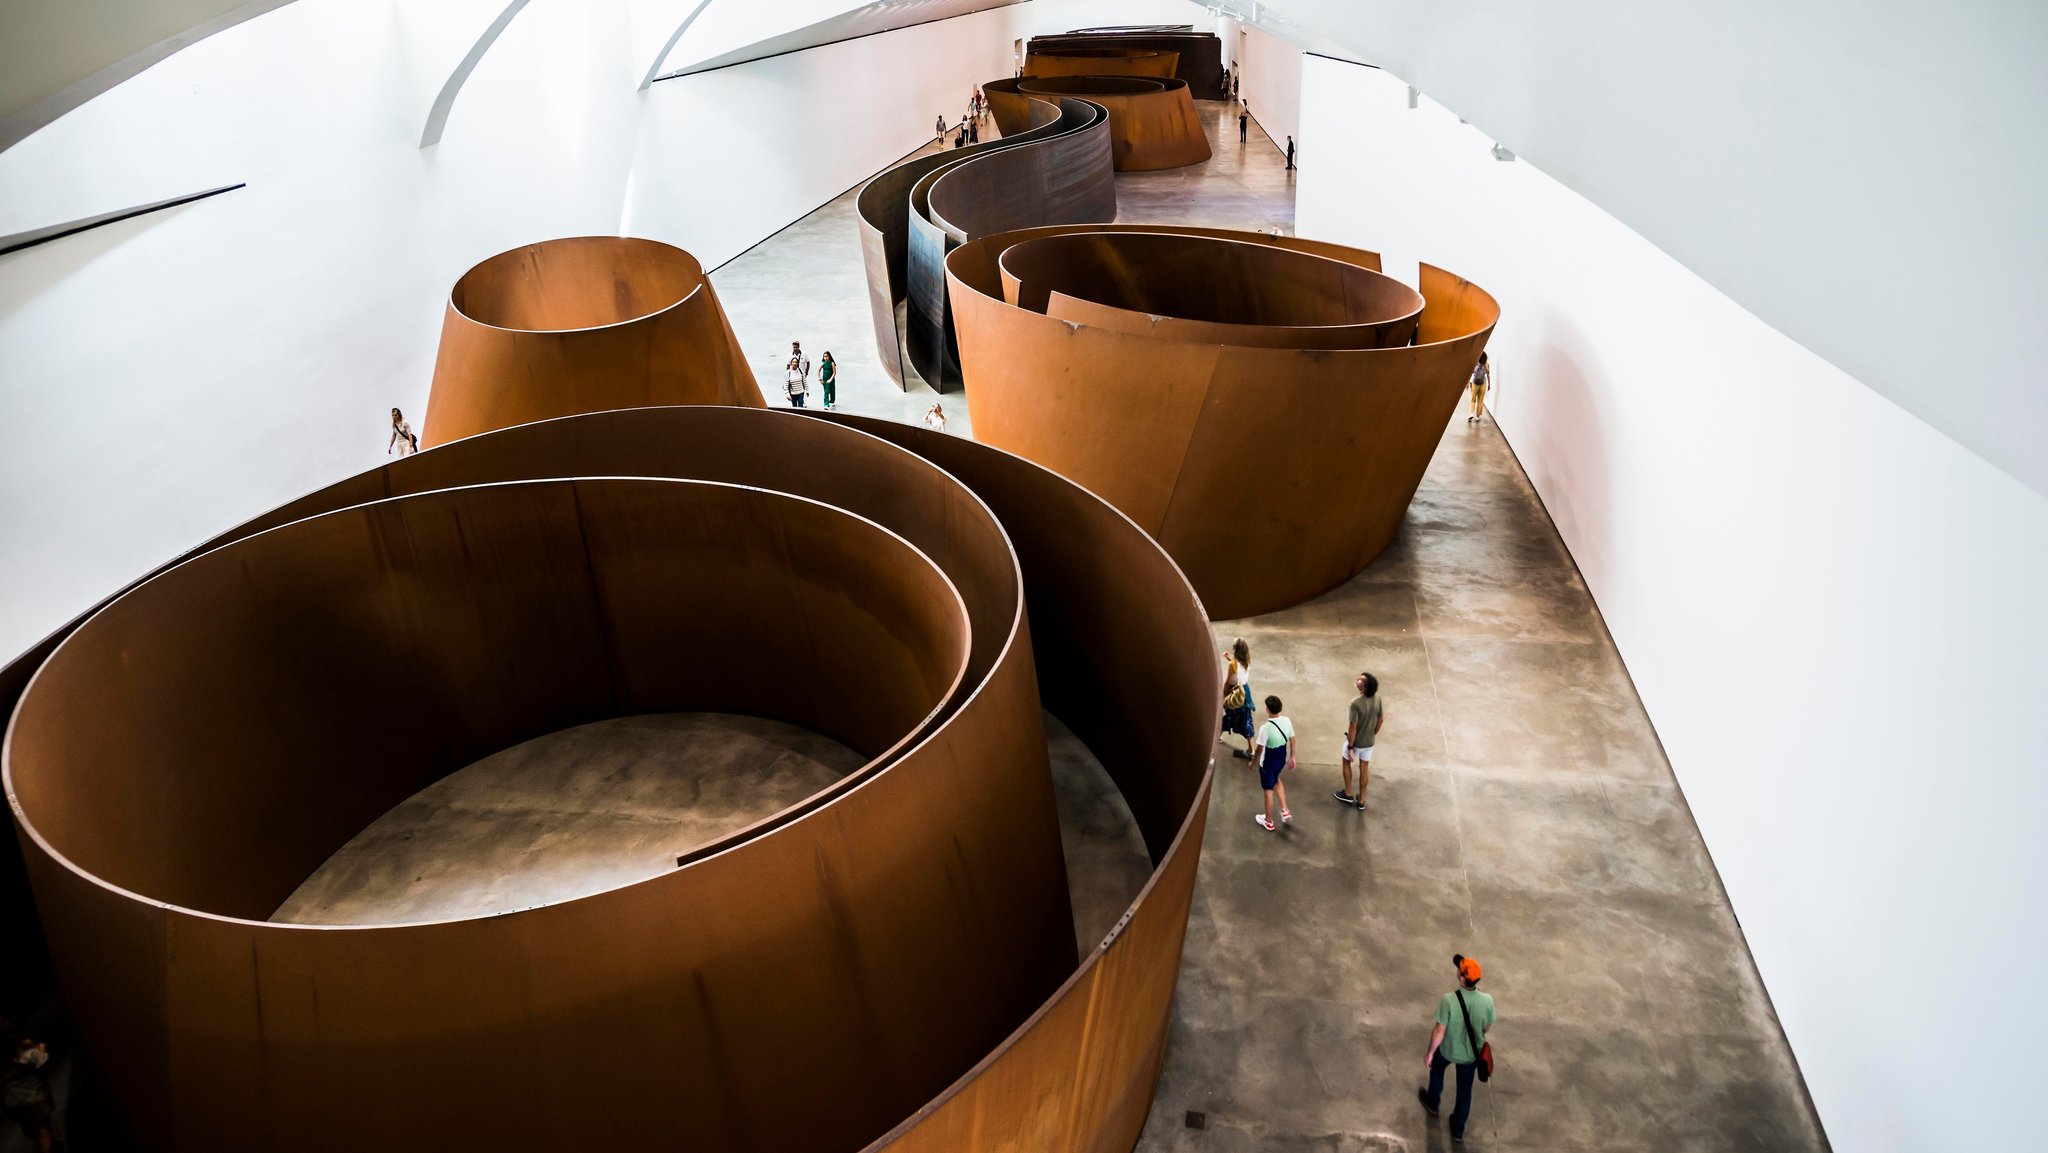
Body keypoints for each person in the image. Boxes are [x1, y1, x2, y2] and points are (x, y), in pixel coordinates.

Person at [1419, 955, 1495, 1143]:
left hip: (1447, 1050)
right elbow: (1486, 1027)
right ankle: (1458, 1129)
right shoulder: (1487, 1001)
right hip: (1470, 1056)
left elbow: (1439, 1031)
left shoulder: (1448, 1000)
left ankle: (1433, 1102)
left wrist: (1430, 1053)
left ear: (1461, 978)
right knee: (1464, 1091)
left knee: (1437, 1070)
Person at [1336, 672, 1384, 809]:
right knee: (1364, 768)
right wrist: (1373, 733)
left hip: (1356, 742)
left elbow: (1352, 727)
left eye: (1360, 680)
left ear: (1364, 687)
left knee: (1346, 762)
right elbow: (1380, 719)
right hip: (1369, 743)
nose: (1357, 679)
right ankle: (1361, 800)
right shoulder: (1378, 698)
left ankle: (1348, 793)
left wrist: (1350, 747)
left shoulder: (1355, 703)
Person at [3, 1034, 56, 1153]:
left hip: (14, 1101)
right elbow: (40, 1060)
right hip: (33, 1098)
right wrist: (41, 1048)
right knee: (43, 1130)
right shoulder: (26, 1049)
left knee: (32, 1131)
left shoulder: (5, 1057)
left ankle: (41, 1146)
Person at [1251, 695, 1295, 831]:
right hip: (1281, 756)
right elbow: (1293, 740)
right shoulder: (1287, 721)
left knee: (1268, 790)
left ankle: (1268, 821)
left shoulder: (1266, 728)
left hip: (1268, 761)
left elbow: (1259, 749)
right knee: (1276, 779)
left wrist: (1253, 762)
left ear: (1268, 710)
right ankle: (1284, 809)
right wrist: (1292, 757)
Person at [1221, 638, 1256, 757]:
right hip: (1244, 693)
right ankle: (1251, 750)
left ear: (1235, 650)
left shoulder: (1232, 665)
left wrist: (1223, 695)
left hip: (1234, 692)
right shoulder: (1247, 661)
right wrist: (1230, 658)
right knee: (1246, 720)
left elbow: (1228, 682)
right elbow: (1239, 666)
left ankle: (1217, 737)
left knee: (1225, 715)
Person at [1468, 351, 1491, 423]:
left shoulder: (1475, 363)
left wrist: (1467, 383)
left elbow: (1470, 373)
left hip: (1475, 383)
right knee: (1480, 400)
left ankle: (1471, 413)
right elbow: (1488, 375)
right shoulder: (1486, 364)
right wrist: (1489, 384)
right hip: (1483, 383)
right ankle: (1478, 416)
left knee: (1473, 399)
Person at [786, 341, 810, 408]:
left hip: (801, 374)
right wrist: (787, 375)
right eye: (793, 347)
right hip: (792, 376)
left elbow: (808, 363)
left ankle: (801, 401)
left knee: (802, 387)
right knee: (794, 388)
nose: (795, 349)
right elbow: (787, 365)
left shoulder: (804, 354)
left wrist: (806, 372)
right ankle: (798, 400)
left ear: (799, 347)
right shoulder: (790, 355)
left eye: (796, 347)